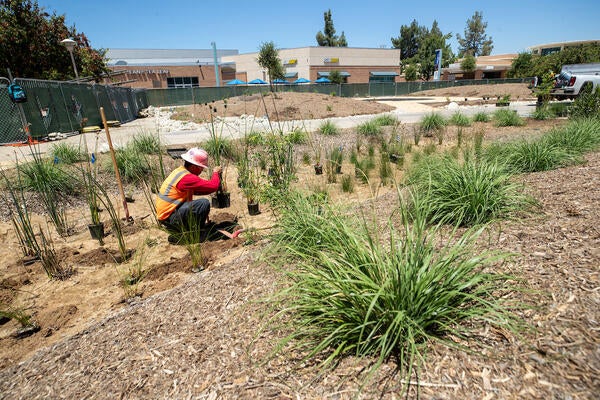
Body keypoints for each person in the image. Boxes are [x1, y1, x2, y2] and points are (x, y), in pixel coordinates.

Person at [155, 147, 221, 238]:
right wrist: (216, 173)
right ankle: (196, 234)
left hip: (167, 217)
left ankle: (191, 229)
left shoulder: (180, 171)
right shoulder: (187, 178)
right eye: (201, 168)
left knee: (199, 203)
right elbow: (213, 186)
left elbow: (198, 190)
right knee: (203, 203)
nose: (202, 170)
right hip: (170, 219)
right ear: (194, 167)